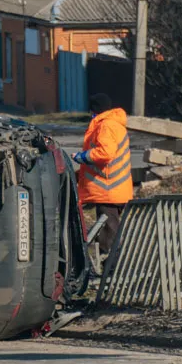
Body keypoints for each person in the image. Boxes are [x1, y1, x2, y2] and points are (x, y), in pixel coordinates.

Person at [73, 93, 133, 261]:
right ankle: (109, 266)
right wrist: (79, 175)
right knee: (106, 231)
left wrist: (81, 157)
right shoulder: (112, 125)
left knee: (108, 233)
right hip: (112, 189)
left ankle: (111, 269)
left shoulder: (105, 126)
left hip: (108, 190)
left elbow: (105, 153)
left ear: (95, 111)